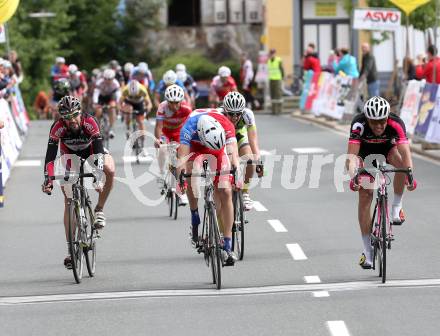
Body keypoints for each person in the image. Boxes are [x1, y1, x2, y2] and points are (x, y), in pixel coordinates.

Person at [42, 96, 115, 269]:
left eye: (74, 115)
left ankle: (99, 210)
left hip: (91, 151)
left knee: (110, 169)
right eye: (67, 117)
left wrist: (97, 175)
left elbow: (98, 151)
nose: (72, 120)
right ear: (62, 118)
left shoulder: (90, 122)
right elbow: (50, 156)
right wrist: (48, 179)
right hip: (69, 157)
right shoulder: (58, 127)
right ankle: (71, 250)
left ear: (80, 113)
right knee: (68, 200)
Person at [346, 96, 416, 269]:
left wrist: (410, 175)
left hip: (387, 151)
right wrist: (353, 175)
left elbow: (406, 153)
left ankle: (396, 207)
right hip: (365, 155)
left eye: (382, 122)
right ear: (367, 119)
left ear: (388, 117)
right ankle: (367, 251)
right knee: (365, 195)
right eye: (374, 122)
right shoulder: (358, 124)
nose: (378, 126)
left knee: (401, 165)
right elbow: (352, 157)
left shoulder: (396, 123)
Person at [177, 110, 240, 265]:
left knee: (225, 191)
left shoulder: (227, 124)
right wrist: (182, 180)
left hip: (218, 150)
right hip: (195, 148)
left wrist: (236, 171)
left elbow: (233, 154)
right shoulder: (189, 128)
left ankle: (227, 245)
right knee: (190, 174)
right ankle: (194, 215)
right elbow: (182, 160)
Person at [220, 91, 264, 210]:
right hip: (224, 138)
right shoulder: (219, 114)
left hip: (239, 136)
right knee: (224, 163)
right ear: (225, 110)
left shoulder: (248, 114)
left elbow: (253, 140)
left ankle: (245, 192)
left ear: (242, 111)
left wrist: (258, 161)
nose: (234, 117)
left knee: (250, 159)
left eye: (238, 114)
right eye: (231, 114)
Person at [154, 84, 192, 204]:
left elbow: (190, 127)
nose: (174, 106)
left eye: (177, 102)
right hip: (165, 132)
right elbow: (159, 126)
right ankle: (161, 173)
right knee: (162, 149)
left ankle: (182, 190)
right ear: (167, 101)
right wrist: (158, 139)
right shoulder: (162, 107)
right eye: (171, 102)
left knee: (181, 159)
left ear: (181, 101)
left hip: (179, 133)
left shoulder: (186, 108)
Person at [120, 79, 152, 150]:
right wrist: (122, 110)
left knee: (140, 121)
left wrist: (147, 109)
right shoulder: (125, 90)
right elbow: (120, 103)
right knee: (129, 110)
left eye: (136, 95)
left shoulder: (142, 89)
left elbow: (149, 103)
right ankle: (128, 127)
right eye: (132, 95)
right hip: (129, 102)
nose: (134, 96)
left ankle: (142, 138)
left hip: (139, 103)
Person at [93, 69, 121, 138]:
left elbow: (118, 95)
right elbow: (96, 93)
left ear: (113, 78)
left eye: (109, 79)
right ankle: (96, 127)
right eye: (106, 79)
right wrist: (95, 103)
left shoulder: (116, 83)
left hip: (110, 97)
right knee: (98, 111)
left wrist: (118, 103)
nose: (107, 81)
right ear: (103, 78)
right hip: (101, 98)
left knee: (112, 108)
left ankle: (111, 129)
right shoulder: (99, 82)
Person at [267, 48, 284, 115]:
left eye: (273, 53)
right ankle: (274, 110)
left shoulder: (278, 60)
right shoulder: (268, 61)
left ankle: (279, 110)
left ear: (275, 53)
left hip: (277, 79)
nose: (272, 54)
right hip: (271, 79)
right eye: (271, 53)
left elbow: (282, 69)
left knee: (278, 95)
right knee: (273, 95)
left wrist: (282, 78)